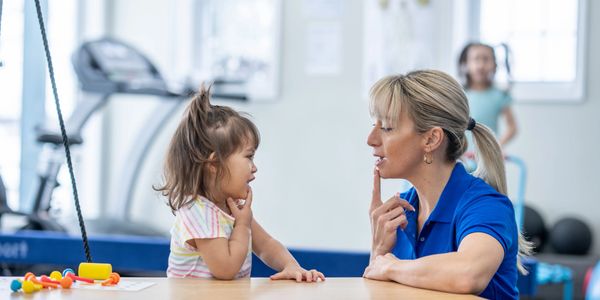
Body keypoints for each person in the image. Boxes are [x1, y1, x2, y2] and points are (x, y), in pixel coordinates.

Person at [362, 70, 531, 299]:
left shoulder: (485, 205)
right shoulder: (400, 212)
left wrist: (389, 266)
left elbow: (468, 273)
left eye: (387, 128)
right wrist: (378, 250)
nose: (371, 139)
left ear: (431, 139)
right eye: (375, 125)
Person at [156, 85, 325, 282]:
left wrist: (292, 266)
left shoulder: (231, 208)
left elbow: (267, 245)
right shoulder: (197, 212)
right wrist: (243, 225)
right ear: (214, 164)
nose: (254, 168)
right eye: (249, 157)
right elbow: (226, 269)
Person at [459, 42, 517, 147]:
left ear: (494, 65)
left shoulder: (500, 95)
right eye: (476, 59)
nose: (481, 65)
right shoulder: (459, 94)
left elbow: (512, 127)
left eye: (485, 59)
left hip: (489, 157)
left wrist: (498, 146)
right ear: (466, 63)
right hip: (463, 157)